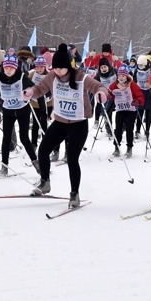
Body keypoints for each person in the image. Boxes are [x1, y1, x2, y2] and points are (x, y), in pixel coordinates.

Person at [22, 43, 111, 207]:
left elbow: (98, 86)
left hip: (78, 124)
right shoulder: (52, 76)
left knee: (72, 158)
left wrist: (101, 93)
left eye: (61, 69)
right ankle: (45, 182)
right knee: (43, 150)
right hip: (60, 122)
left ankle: (74, 193)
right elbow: (40, 88)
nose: (58, 72)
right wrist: (30, 93)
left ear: (68, 67)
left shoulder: (80, 77)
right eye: (55, 68)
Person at [0, 54, 39, 176]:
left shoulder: (22, 77)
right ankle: (4, 167)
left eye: (11, 68)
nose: (8, 70)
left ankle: (36, 164)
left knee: (24, 138)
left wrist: (29, 94)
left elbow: (34, 89)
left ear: (16, 68)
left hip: (22, 110)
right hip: (8, 111)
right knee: (6, 138)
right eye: (6, 68)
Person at [109, 65, 145, 158]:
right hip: (120, 109)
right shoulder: (114, 84)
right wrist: (108, 96)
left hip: (131, 110)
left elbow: (140, 95)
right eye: (119, 76)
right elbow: (109, 93)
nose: (121, 78)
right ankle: (117, 147)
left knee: (129, 129)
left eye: (123, 76)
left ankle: (129, 148)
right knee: (118, 129)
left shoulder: (132, 84)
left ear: (127, 76)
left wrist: (138, 101)